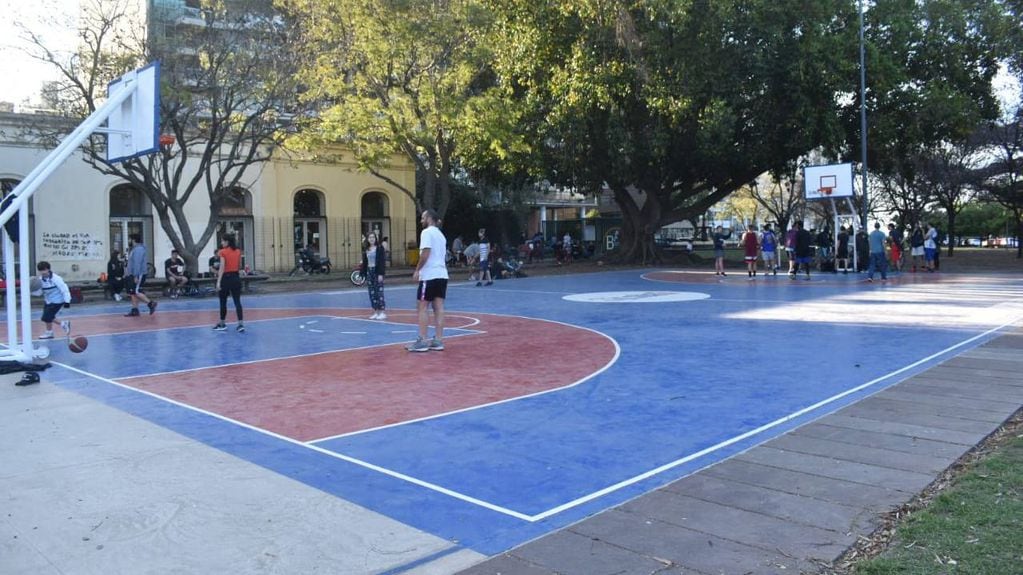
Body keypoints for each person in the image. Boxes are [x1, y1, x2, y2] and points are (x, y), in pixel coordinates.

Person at [406, 209, 448, 352]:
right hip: (442, 274)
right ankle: (438, 340)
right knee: (439, 308)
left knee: (422, 307)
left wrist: (417, 270)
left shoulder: (426, 233)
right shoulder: (441, 235)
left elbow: (425, 253)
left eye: (423, 217)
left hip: (429, 274)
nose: (421, 220)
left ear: (429, 218)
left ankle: (423, 341)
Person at [213, 234, 245, 332]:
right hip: (235, 278)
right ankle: (240, 324)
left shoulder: (222, 252)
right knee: (237, 301)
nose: (221, 243)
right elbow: (239, 265)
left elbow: (222, 267)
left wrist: (218, 281)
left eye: (222, 241)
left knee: (223, 302)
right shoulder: (238, 251)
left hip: (226, 279)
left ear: (227, 242)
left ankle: (222, 323)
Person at [32, 261, 71, 340]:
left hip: (58, 301)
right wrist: (31, 291)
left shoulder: (56, 279)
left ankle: (63, 324)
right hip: (48, 300)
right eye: (41, 270)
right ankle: (49, 332)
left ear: (48, 269)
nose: (43, 272)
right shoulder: (39, 280)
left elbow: (64, 289)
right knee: (49, 317)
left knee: (46, 317)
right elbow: (40, 292)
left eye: (44, 270)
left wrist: (67, 301)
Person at [124, 233, 157, 317]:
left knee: (137, 291)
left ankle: (150, 303)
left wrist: (136, 275)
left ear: (133, 240)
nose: (128, 241)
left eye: (129, 239)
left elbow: (137, 263)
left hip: (138, 274)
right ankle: (135, 310)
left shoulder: (138, 250)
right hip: (132, 274)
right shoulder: (134, 249)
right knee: (132, 293)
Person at [361, 231, 387, 320]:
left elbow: (382, 262)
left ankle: (382, 312)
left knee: (379, 292)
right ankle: (376, 311)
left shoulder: (380, 248)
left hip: (377, 271)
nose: (371, 239)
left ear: (375, 238)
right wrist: (363, 273)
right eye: (370, 237)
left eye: (373, 237)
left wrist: (381, 274)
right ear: (367, 239)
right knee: (371, 293)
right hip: (369, 271)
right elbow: (365, 262)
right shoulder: (366, 249)